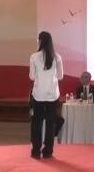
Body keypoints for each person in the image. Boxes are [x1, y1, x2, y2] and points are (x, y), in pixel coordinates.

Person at [29, 31, 63, 159]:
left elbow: (32, 77)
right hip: (53, 94)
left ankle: (35, 150)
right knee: (50, 123)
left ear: (40, 41)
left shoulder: (34, 57)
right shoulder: (57, 57)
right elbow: (60, 76)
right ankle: (48, 151)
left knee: (36, 123)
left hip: (38, 94)